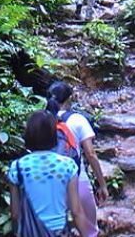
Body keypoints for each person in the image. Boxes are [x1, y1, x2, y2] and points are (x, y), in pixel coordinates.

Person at [7, 111, 89, 236]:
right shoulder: (67, 165)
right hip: (59, 231)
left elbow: (15, 214)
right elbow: (76, 211)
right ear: (53, 134)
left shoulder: (17, 167)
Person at [46, 81, 108, 237]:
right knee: (90, 231)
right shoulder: (78, 120)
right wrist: (102, 185)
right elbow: (91, 154)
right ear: (70, 98)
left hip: (49, 183)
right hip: (77, 180)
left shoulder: (42, 120)